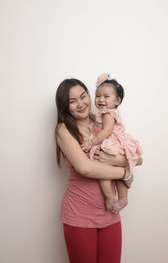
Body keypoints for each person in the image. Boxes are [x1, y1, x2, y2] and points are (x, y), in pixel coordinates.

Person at [55, 78, 133, 263]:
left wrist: (117, 160)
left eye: (83, 96)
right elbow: (85, 168)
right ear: (65, 106)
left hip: (109, 213)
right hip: (79, 215)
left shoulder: (103, 121)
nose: (80, 104)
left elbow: (135, 156)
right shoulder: (63, 129)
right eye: (72, 101)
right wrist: (124, 173)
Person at [81, 74, 143, 212]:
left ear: (117, 100)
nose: (101, 99)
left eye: (106, 96)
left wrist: (92, 142)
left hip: (110, 143)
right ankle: (122, 197)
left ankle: (109, 196)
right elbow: (96, 120)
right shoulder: (104, 113)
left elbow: (107, 131)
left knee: (104, 171)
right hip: (116, 145)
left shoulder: (108, 114)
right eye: (98, 96)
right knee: (117, 174)